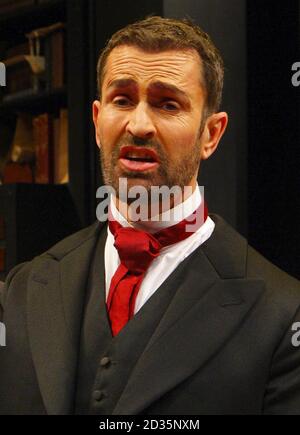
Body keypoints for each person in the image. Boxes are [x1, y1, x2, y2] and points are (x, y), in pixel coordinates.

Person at [1, 15, 300, 416]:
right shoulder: (22, 290)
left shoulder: (281, 315)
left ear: (211, 134)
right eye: (122, 99)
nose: (138, 125)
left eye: (167, 104)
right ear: (95, 120)